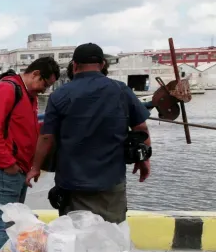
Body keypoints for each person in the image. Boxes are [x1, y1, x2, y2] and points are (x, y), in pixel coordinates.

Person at [28, 43, 151, 223]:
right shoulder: (121, 90)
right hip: (111, 181)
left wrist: (35, 167)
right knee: (111, 236)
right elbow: (141, 129)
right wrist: (144, 159)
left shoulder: (60, 95)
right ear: (102, 65)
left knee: (76, 237)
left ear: (74, 66)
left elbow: (47, 137)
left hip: (72, 184)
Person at [0, 57, 60, 252]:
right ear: (35, 74)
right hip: (4, 169)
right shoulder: (8, 90)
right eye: (45, 84)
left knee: (13, 225)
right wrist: (9, 164)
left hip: (17, 169)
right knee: (5, 225)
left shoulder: (27, 94)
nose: (45, 90)